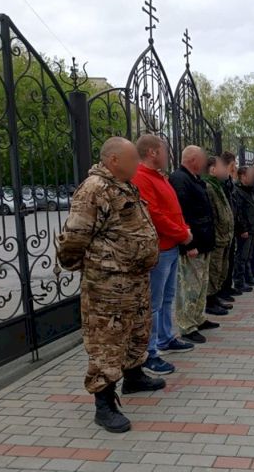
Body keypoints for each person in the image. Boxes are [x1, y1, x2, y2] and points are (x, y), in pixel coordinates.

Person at [57, 137, 164, 433]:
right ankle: (104, 404)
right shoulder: (94, 189)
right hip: (107, 286)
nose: (137, 163)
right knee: (107, 340)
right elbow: (75, 237)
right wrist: (92, 266)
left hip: (134, 280)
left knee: (137, 329)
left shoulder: (125, 186)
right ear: (114, 160)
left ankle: (134, 376)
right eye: (132, 159)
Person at [131, 135, 195, 376]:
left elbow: (173, 210)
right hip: (159, 249)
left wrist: (183, 230)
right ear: (152, 152)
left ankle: (166, 338)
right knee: (154, 303)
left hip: (171, 246)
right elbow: (155, 215)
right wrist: (182, 233)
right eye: (164, 151)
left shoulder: (159, 177)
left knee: (167, 298)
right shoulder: (141, 177)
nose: (168, 155)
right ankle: (150, 353)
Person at [169, 146, 218, 344]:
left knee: (200, 285)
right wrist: (188, 244)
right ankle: (187, 326)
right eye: (202, 159)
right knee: (189, 287)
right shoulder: (180, 179)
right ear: (193, 159)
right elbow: (182, 214)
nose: (205, 163)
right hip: (192, 244)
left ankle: (198, 318)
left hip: (203, 242)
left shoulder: (194, 179)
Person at [205, 155, 235, 315]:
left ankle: (216, 297)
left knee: (222, 270)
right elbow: (212, 215)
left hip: (225, 236)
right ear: (212, 169)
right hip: (218, 237)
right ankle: (210, 302)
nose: (225, 170)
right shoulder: (209, 187)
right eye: (222, 167)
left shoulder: (218, 185)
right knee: (214, 270)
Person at [233, 165, 254, 291]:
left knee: (248, 255)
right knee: (242, 256)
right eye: (250, 175)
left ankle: (248, 277)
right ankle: (239, 281)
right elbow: (239, 212)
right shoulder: (238, 191)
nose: (253, 178)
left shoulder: (249, 189)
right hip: (245, 229)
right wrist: (243, 229)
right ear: (243, 176)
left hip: (252, 227)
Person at [219, 151, 241, 299]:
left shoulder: (229, 181)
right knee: (223, 261)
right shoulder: (222, 181)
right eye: (235, 164)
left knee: (230, 258)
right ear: (231, 164)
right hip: (223, 229)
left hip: (231, 225)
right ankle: (222, 290)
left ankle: (228, 286)